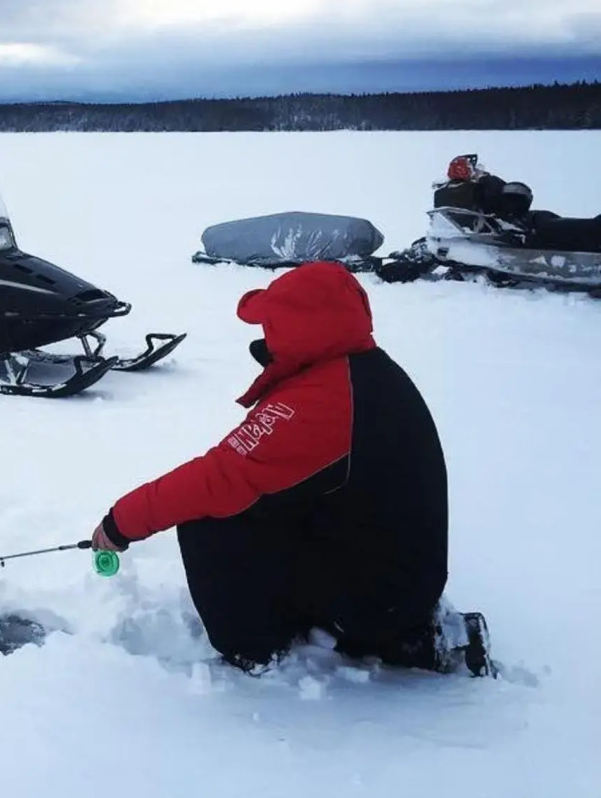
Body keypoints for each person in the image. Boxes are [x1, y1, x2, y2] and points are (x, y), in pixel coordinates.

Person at [91, 262, 492, 676]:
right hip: (393, 568)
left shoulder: (325, 401)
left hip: (383, 595)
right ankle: (396, 629)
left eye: (272, 325)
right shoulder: (361, 371)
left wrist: (121, 523)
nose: (266, 337)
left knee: (207, 522)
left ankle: (260, 652)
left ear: (301, 327)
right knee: (259, 506)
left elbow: (216, 479)